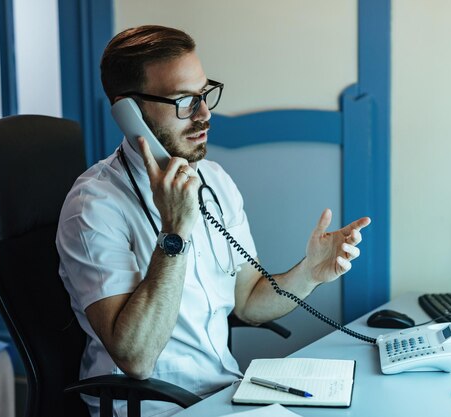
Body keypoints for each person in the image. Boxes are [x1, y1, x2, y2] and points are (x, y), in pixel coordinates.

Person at [56, 25, 370, 417]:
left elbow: (248, 302)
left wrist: (309, 273)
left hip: (224, 395)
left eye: (204, 94)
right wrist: (175, 232)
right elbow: (135, 359)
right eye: (184, 100)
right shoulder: (93, 207)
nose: (204, 114)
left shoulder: (215, 181)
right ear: (128, 112)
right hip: (152, 410)